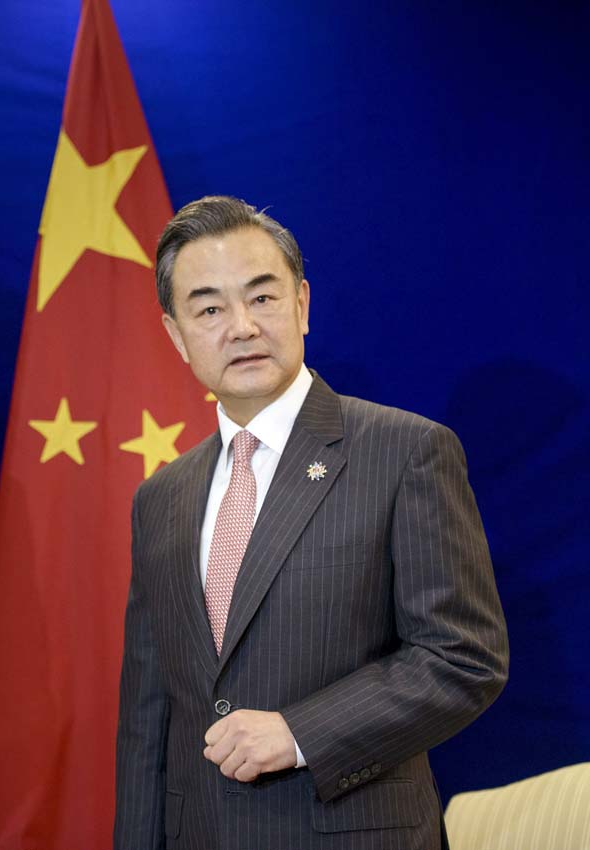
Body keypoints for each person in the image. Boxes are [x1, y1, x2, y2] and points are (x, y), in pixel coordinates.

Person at [113, 196, 508, 850]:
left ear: (301, 304)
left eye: (262, 298)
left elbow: (463, 658)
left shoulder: (405, 451)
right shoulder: (160, 497)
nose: (241, 327)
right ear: (176, 336)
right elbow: (146, 720)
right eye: (209, 309)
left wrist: (300, 733)